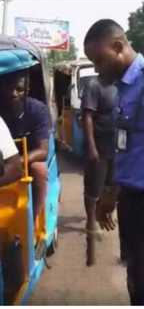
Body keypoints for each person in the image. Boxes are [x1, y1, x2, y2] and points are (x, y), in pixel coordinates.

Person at [84, 18, 144, 304]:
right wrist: (113, 193)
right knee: (134, 274)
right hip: (131, 197)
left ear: (118, 47)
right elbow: (130, 147)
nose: (96, 69)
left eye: (98, 60)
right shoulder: (123, 86)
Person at [0, 69, 51, 221]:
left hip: (27, 159)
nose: (13, 93)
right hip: (0, 157)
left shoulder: (38, 110)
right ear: (2, 89)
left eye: (19, 89)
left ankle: (33, 219)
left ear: (27, 91)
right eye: (9, 88)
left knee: (39, 170)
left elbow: (43, 151)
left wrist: (17, 161)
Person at [80, 75, 118, 266]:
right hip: (99, 147)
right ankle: (91, 220)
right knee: (94, 188)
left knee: (112, 186)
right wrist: (92, 146)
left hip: (118, 147)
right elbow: (87, 117)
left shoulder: (121, 84)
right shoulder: (94, 85)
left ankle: (106, 215)